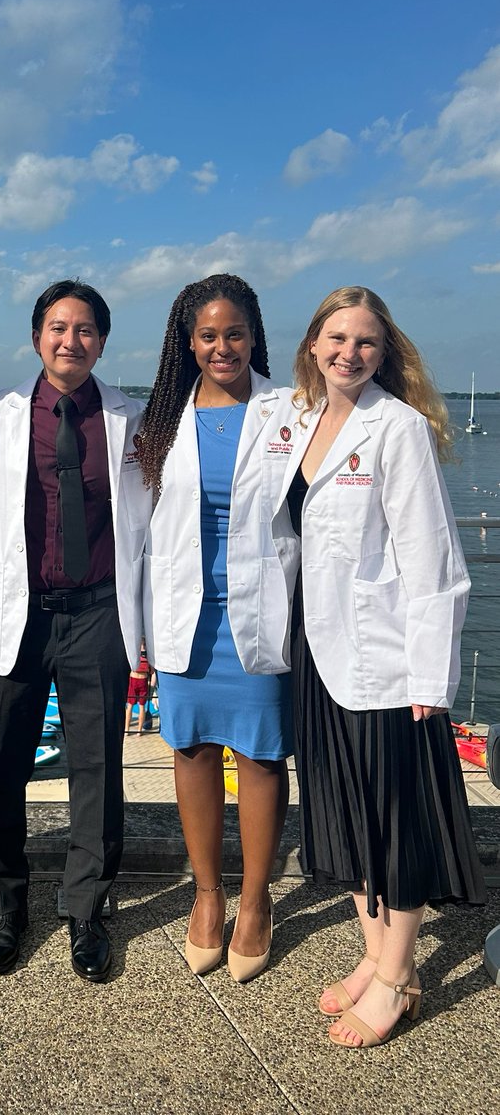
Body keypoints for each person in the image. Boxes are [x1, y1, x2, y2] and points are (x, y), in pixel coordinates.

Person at [268, 285, 485, 1048]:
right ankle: (374, 955)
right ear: (312, 344)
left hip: (385, 661)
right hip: (314, 652)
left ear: (385, 354)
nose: (348, 352)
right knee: (347, 810)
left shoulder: (397, 429)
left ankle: (399, 977)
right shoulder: (296, 419)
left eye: (365, 342)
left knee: (393, 819)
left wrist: (431, 677)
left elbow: (434, 561)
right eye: (336, 337)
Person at [0, 280, 151, 982]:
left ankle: (86, 908)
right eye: (56, 327)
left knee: (97, 767)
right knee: (3, 764)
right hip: (20, 610)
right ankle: (5, 905)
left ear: (102, 341)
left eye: (84, 330)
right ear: (36, 335)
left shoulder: (130, 421)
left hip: (100, 610)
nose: (69, 341)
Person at [136, 275, 294, 983]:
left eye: (234, 333)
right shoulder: (164, 416)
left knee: (261, 756)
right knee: (192, 749)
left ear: (253, 335)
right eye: (207, 335)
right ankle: (208, 894)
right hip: (183, 611)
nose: (221, 346)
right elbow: (139, 525)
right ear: (188, 342)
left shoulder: (290, 410)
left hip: (261, 609)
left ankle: (256, 901)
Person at [124, 640, 151, 734]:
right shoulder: (148, 655)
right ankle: (136, 730)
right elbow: (151, 671)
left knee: (132, 705)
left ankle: (129, 729)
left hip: (136, 679)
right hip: (141, 679)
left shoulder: (133, 654)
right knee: (139, 706)